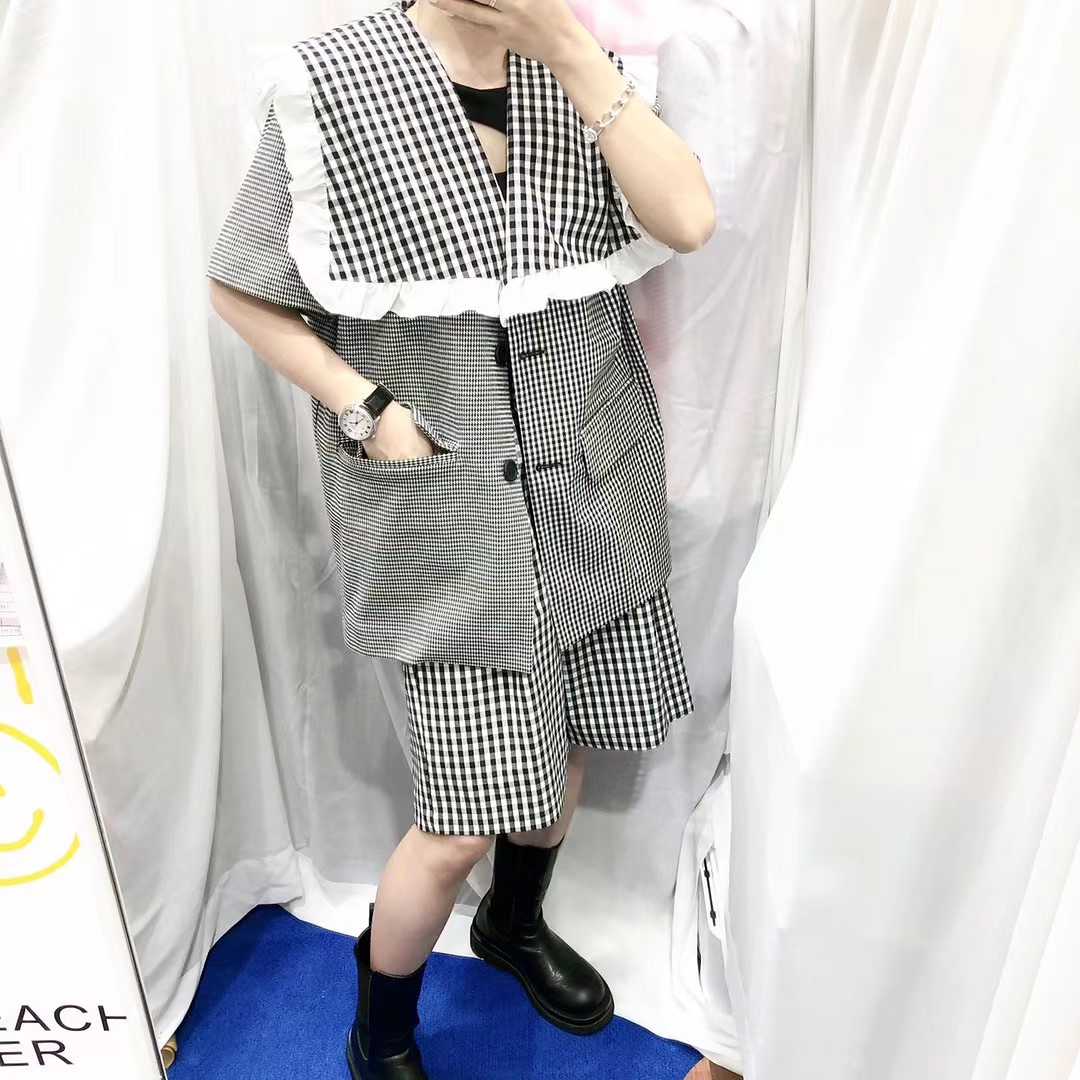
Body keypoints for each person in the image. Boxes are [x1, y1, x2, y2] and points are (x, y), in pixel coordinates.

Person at [207, 0, 715, 1075]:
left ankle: (512, 925)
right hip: (448, 516)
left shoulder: (583, 68)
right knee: (456, 822)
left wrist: (569, 51)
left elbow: (688, 218)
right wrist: (368, 408)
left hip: (591, 487)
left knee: (566, 745)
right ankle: (381, 1026)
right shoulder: (336, 80)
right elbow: (242, 287)